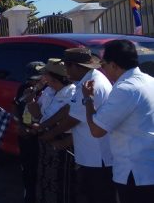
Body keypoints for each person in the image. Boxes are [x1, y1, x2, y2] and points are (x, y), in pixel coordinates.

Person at [38, 48, 116, 203]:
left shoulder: (90, 85)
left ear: (76, 66)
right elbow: (71, 111)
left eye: (67, 66)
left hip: (96, 157)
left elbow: (73, 119)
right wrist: (45, 127)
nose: (65, 70)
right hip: (92, 154)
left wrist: (48, 135)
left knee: (99, 196)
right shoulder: (87, 81)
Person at [81, 39, 154, 203]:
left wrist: (88, 99)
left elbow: (97, 130)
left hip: (135, 172)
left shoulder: (125, 89)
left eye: (103, 63)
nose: (102, 68)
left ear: (114, 65)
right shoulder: (149, 80)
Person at [26, 58, 76, 203]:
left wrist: (45, 129)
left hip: (62, 145)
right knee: (45, 184)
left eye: (45, 74)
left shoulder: (71, 94)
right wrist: (31, 100)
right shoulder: (48, 91)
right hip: (46, 144)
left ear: (54, 77)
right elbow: (37, 115)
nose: (43, 78)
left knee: (62, 186)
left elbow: (69, 121)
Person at [12, 61, 45, 203]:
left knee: (40, 170)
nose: (32, 83)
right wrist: (19, 125)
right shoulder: (23, 89)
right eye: (30, 79)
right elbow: (15, 106)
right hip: (25, 135)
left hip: (39, 135)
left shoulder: (47, 92)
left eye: (36, 79)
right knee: (27, 169)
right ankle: (28, 195)